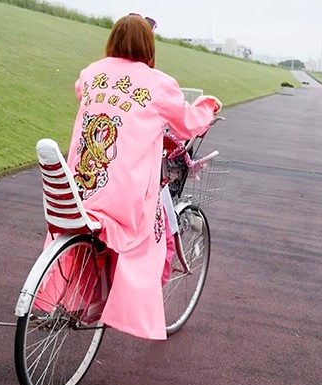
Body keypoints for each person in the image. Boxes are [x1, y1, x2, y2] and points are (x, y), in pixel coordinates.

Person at [61, 14, 221, 340]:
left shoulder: (92, 72)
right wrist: (209, 105)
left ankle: (87, 297)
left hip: (79, 190)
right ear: (148, 45)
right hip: (124, 199)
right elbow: (187, 123)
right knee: (157, 239)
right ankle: (128, 309)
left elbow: (81, 90)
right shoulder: (158, 83)